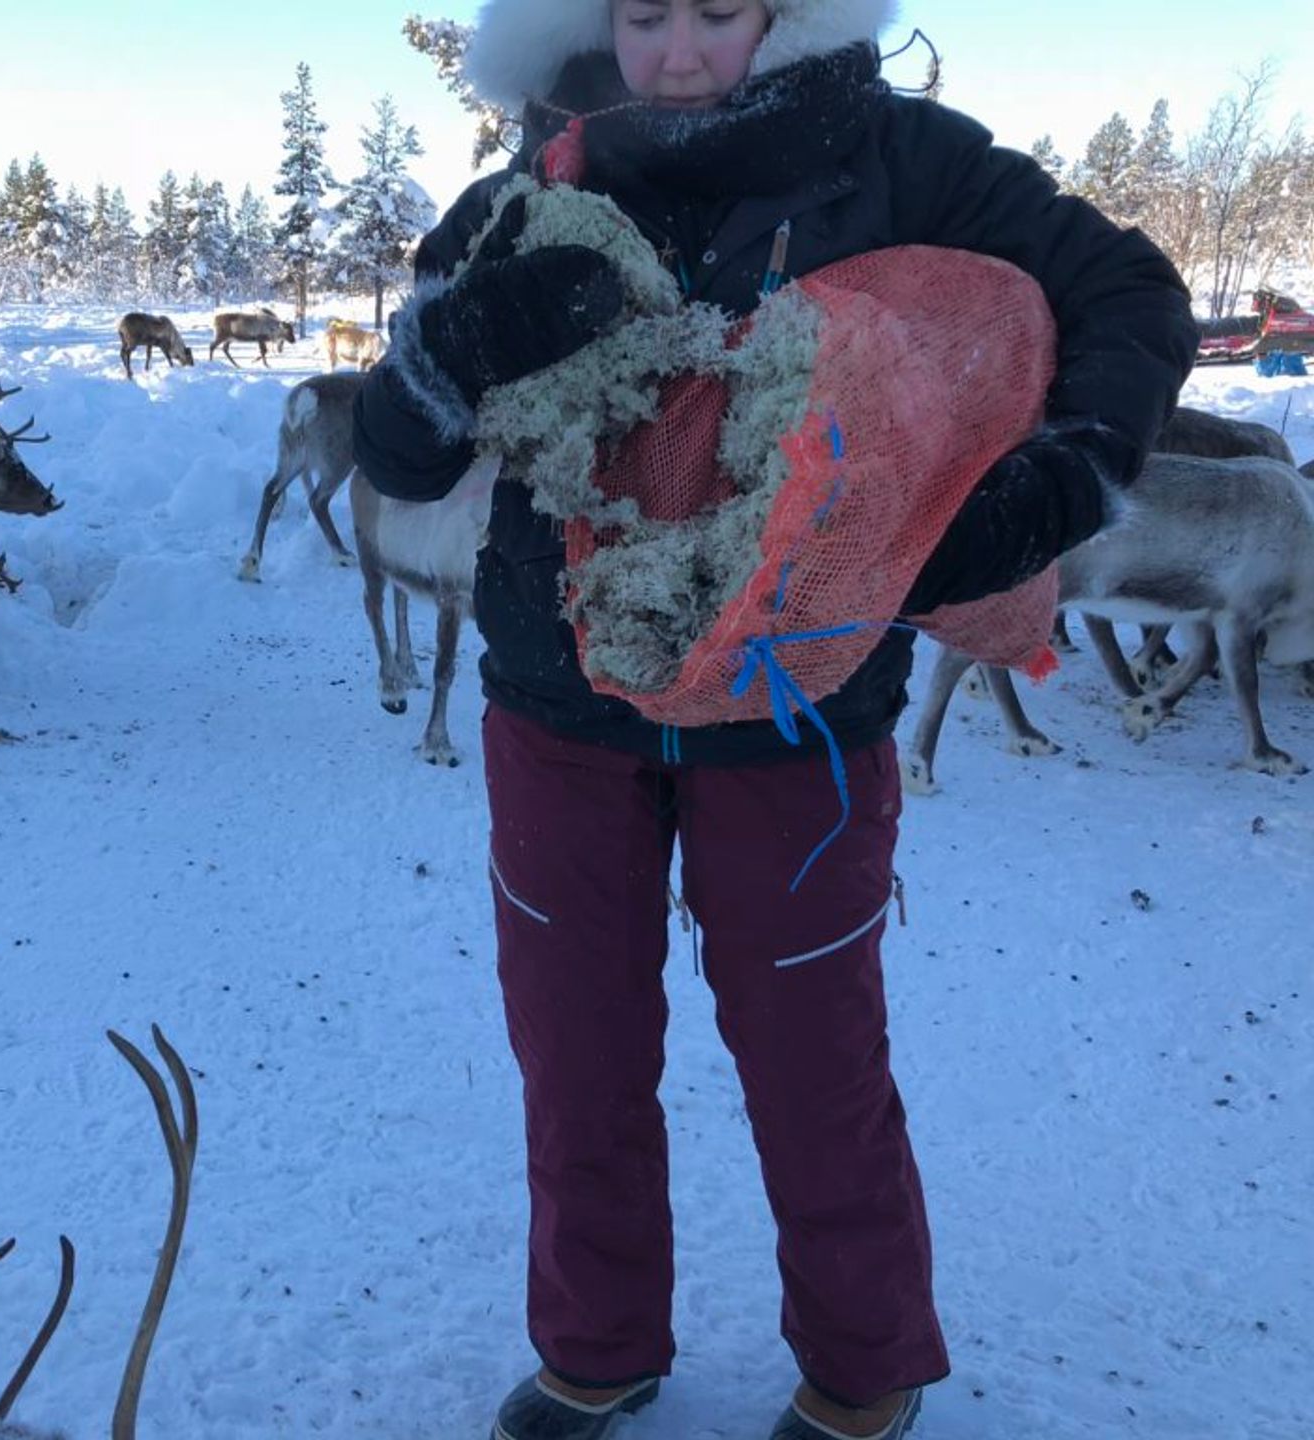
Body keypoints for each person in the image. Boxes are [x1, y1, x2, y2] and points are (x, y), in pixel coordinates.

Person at [350, 2, 1199, 1438]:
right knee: (576, 1050)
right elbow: (398, 451)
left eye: (720, 11)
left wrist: (1067, 475)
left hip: (800, 698)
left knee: (815, 1056)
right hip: (561, 706)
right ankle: (598, 1344)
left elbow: (1131, 293)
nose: (678, 54)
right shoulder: (529, 193)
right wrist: (443, 358)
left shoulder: (901, 160)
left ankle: (865, 1366)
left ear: (788, 13)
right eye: (645, 15)